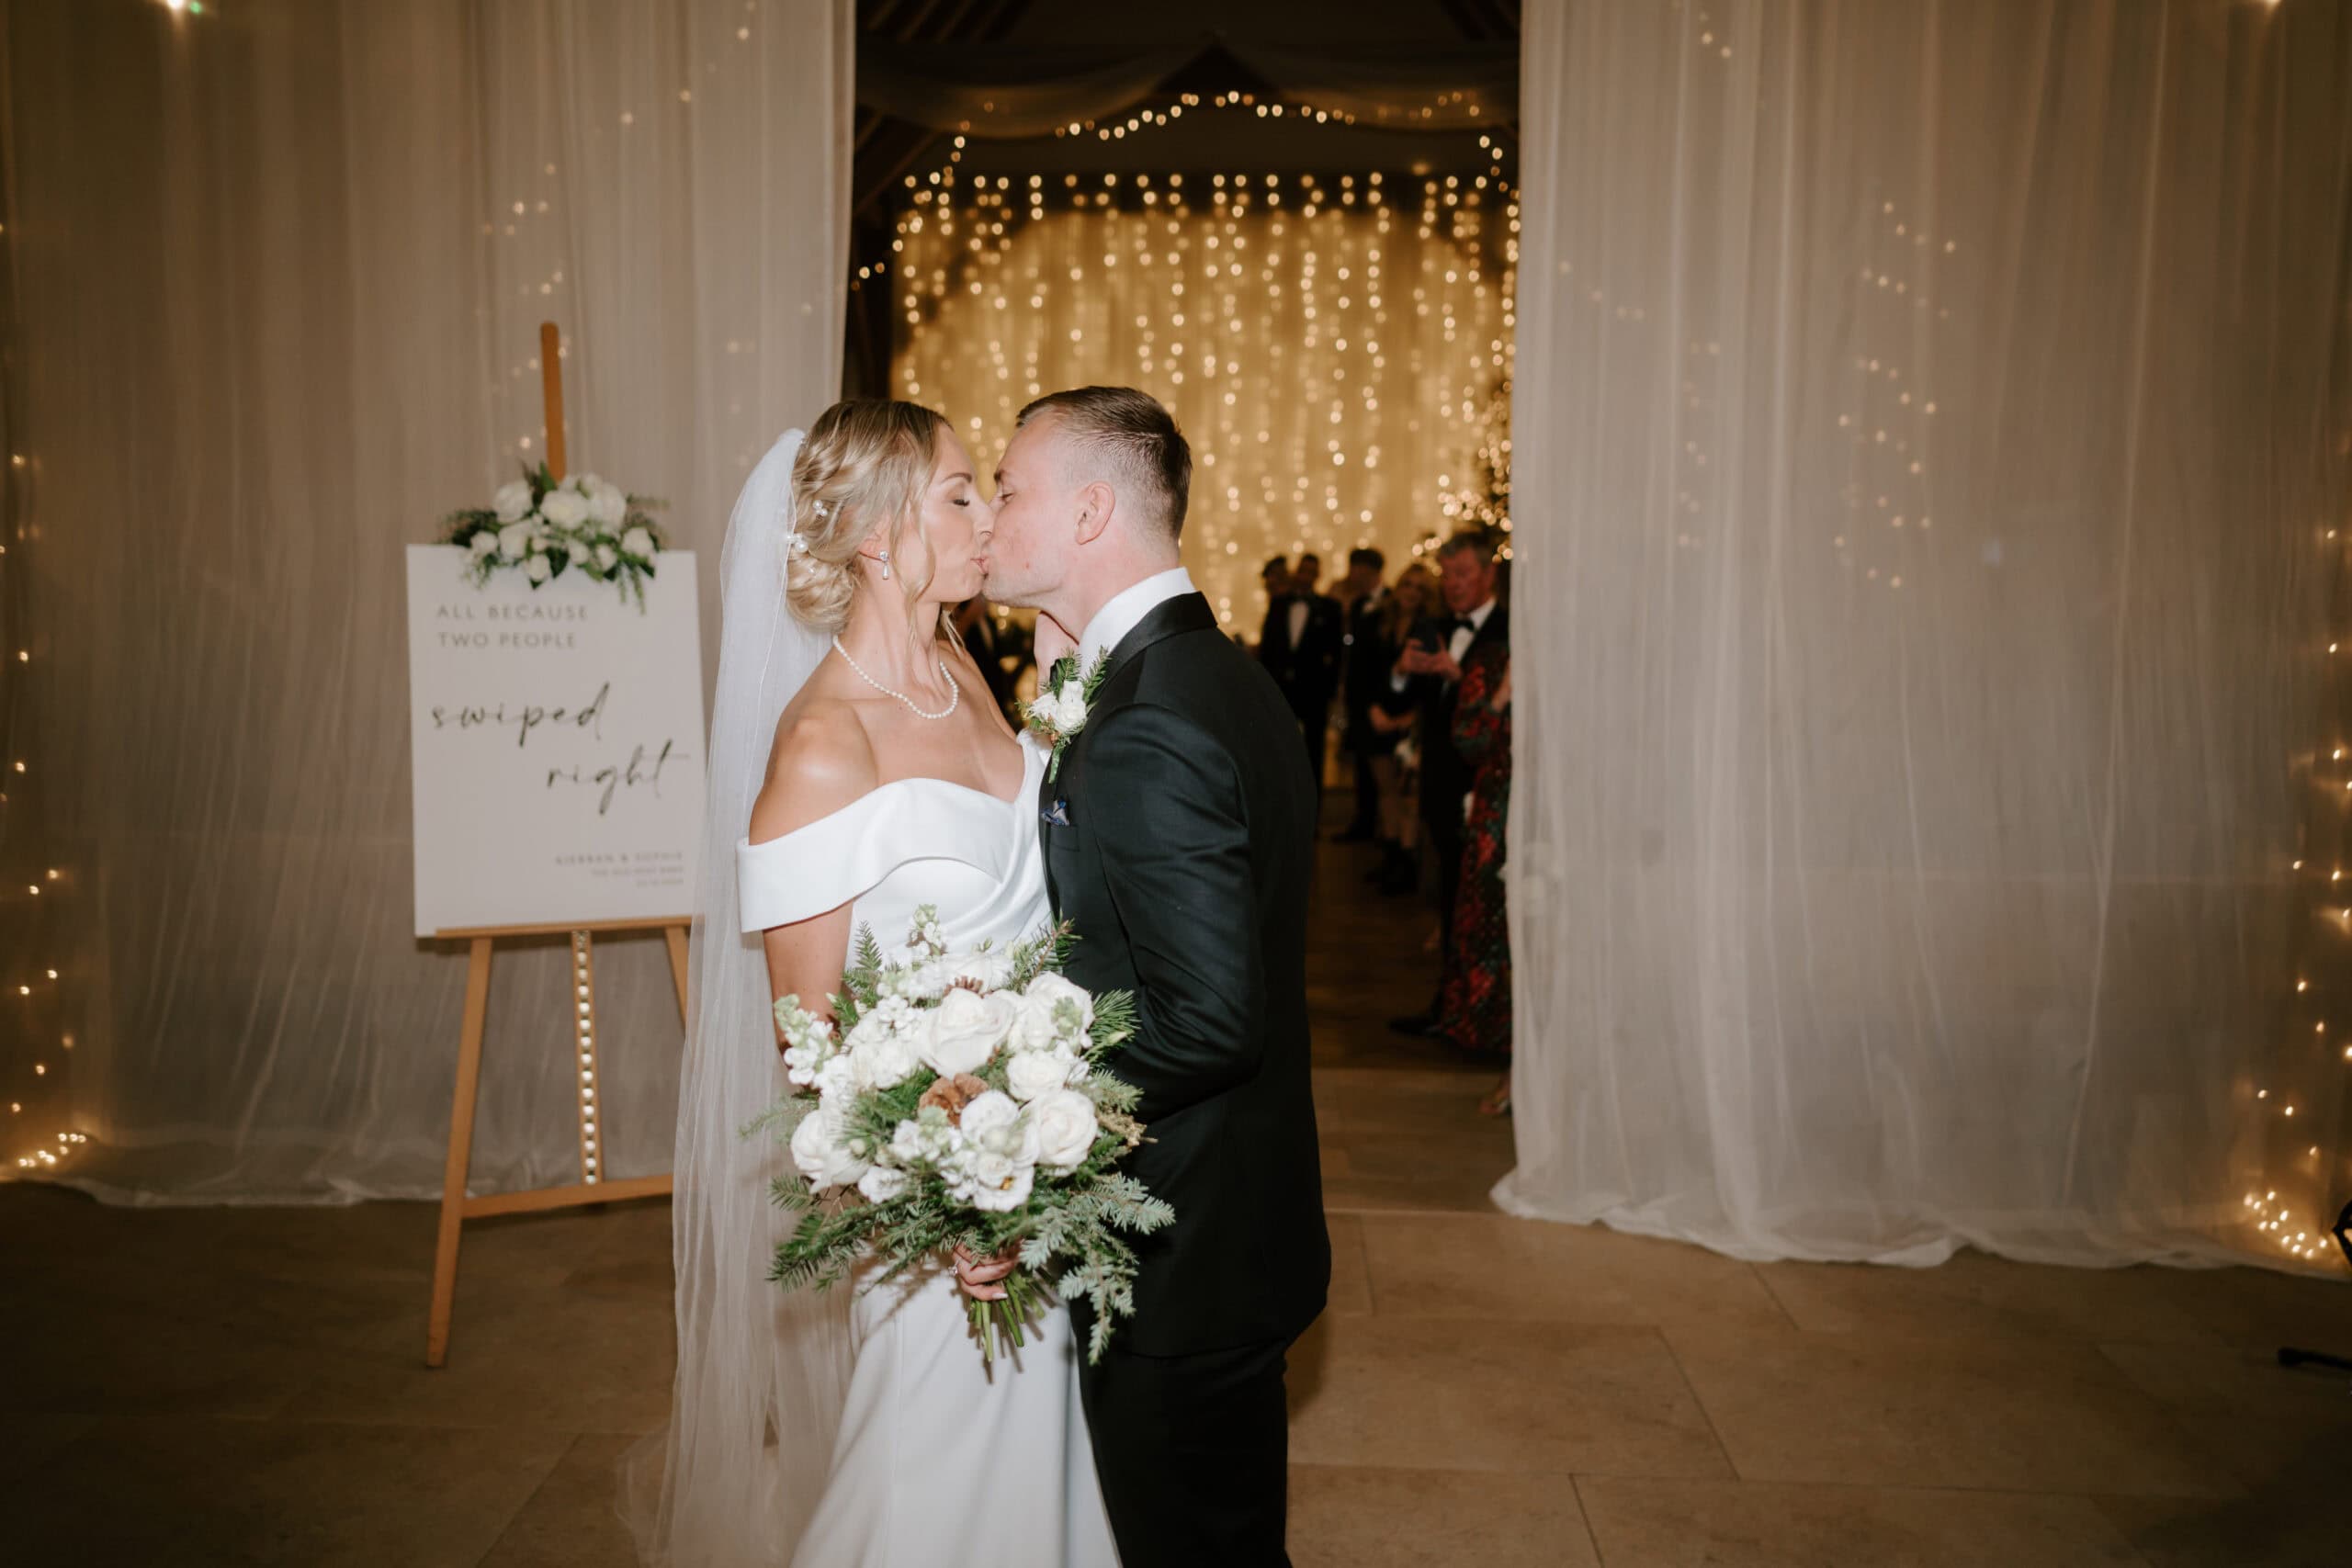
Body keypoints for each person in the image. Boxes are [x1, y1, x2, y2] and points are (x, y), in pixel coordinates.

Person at [633, 401, 1116, 1567]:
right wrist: (938, 1201)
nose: (986, 514)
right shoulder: (820, 746)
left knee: (1035, 1486)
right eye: (959, 493)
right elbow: (812, 1040)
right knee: (927, 1494)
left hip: (1034, 1159)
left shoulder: (964, 673)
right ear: (872, 535)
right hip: (938, 1211)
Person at [982, 386, 1330, 1568]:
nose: (991, 509)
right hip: (1238, 1215)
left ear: (1088, 512)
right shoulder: (1211, 678)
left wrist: (1007, 1120)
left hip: (1184, 1254)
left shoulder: (1148, 720)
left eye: (1011, 486)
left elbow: (1208, 1020)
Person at [1388, 530, 1507, 1038]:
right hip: (1441, 787)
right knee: (1450, 898)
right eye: (1448, 575)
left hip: (1489, 788)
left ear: (1488, 574)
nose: (1454, 585)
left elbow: (1506, 712)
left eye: (1463, 574)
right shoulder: (1432, 626)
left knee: (1487, 905)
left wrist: (1460, 676)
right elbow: (1398, 701)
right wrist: (1400, 670)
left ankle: (1483, 1011)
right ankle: (1450, 1003)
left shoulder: (1511, 628)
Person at [1441, 631, 1513, 1115]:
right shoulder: (1494, 659)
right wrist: (1503, 694)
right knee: (1497, 938)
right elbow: (1469, 739)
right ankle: (1511, 1061)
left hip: (1565, 819)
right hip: (1499, 817)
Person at [1366, 562, 1436, 892]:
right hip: (1379, 718)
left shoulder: (1430, 628)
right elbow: (1362, 674)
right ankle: (1391, 856)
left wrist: (1410, 719)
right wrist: (1374, 709)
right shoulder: (1378, 623)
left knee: (1411, 795)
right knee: (1387, 792)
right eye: (1407, 584)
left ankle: (1407, 864)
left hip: (1413, 722)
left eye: (1419, 588)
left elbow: (1430, 683)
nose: (1411, 592)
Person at [1255, 553, 1344, 787]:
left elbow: (1337, 654)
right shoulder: (1279, 604)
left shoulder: (1330, 608)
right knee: (1277, 747)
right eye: (1302, 570)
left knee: (1314, 751)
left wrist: (1331, 691)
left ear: (1317, 575)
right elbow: (1269, 647)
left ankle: (1313, 811)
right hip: (1281, 688)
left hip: (1314, 691)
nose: (1305, 576)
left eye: (1310, 572)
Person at [1334, 547, 1390, 842]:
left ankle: (1384, 827)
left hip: (1379, 698)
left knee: (1381, 767)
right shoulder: (1357, 605)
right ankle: (1365, 820)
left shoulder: (1390, 601)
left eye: (1355, 567)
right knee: (1362, 763)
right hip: (1357, 695)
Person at [954, 592, 1021, 719]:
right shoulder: (964, 621)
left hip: (995, 691)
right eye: (980, 598)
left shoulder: (989, 621)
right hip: (976, 689)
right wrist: (969, 616)